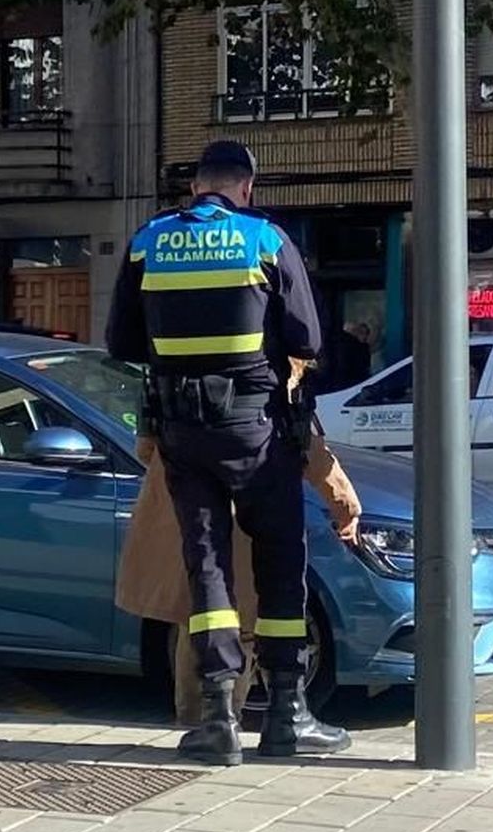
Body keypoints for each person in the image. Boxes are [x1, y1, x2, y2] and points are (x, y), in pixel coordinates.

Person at [106, 139, 349, 765]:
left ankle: (218, 720)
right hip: (258, 429)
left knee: (207, 564)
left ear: (195, 188)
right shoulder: (265, 239)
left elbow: (121, 341)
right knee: (278, 566)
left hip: (183, 433)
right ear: (247, 187)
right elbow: (308, 337)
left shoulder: (147, 241)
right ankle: (289, 717)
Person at [117, 357, 362, 726]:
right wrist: (344, 502)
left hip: (182, 502)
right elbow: (307, 443)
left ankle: (202, 725)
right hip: (248, 505)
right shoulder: (271, 367)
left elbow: (145, 447)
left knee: (198, 618)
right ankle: (257, 720)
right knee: (247, 621)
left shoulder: (177, 366)